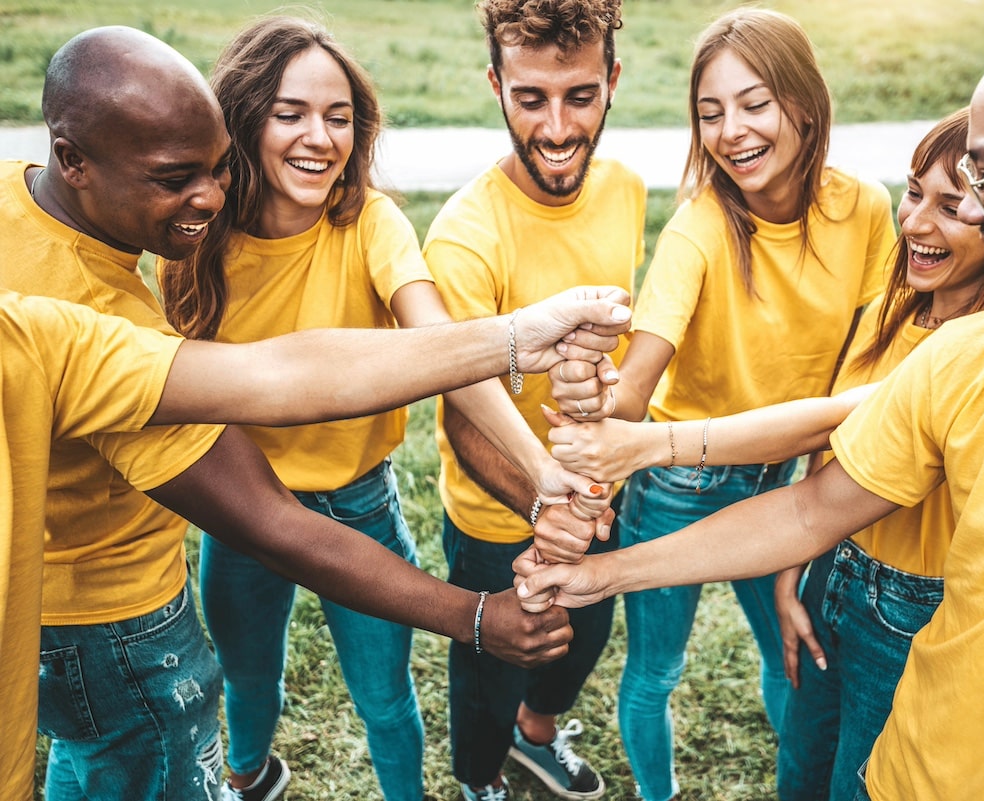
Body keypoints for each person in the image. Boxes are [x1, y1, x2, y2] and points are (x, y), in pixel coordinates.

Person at [516, 1, 984, 799]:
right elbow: (812, 512)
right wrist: (604, 570)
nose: (969, 211)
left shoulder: (903, 266)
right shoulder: (970, 355)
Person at [0, 25, 627, 801]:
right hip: (219, 534)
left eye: (339, 116)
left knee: (383, 695)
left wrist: (538, 469)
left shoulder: (347, 222)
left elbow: (417, 342)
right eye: (290, 113)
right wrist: (473, 612)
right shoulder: (169, 259)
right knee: (244, 680)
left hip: (353, 502)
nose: (319, 137)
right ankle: (247, 773)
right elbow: (270, 436)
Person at [547, 9, 893, 801]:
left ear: (804, 104)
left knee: (793, 656)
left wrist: (814, 489)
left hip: (790, 478)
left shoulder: (867, 210)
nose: (730, 131)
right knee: (656, 670)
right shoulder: (701, 226)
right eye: (710, 113)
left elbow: (858, 378)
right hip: (680, 483)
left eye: (754, 103)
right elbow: (637, 379)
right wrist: (599, 397)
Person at [420, 1, 645, 799]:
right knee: (492, 667)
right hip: (497, 519)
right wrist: (555, 508)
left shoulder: (623, 187)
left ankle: (537, 735)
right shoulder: (465, 238)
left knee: (583, 639)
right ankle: (482, 780)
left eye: (580, 96)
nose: (556, 127)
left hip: (594, 496)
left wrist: (591, 497)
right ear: (495, 86)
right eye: (530, 98)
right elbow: (464, 419)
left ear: (613, 82)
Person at [772, 107, 984, 801]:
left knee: (860, 785)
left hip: (913, 610)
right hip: (832, 568)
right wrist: (794, 573)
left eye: (952, 207)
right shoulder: (891, 308)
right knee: (800, 773)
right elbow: (826, 448)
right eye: (912, 193)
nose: (915, 224)